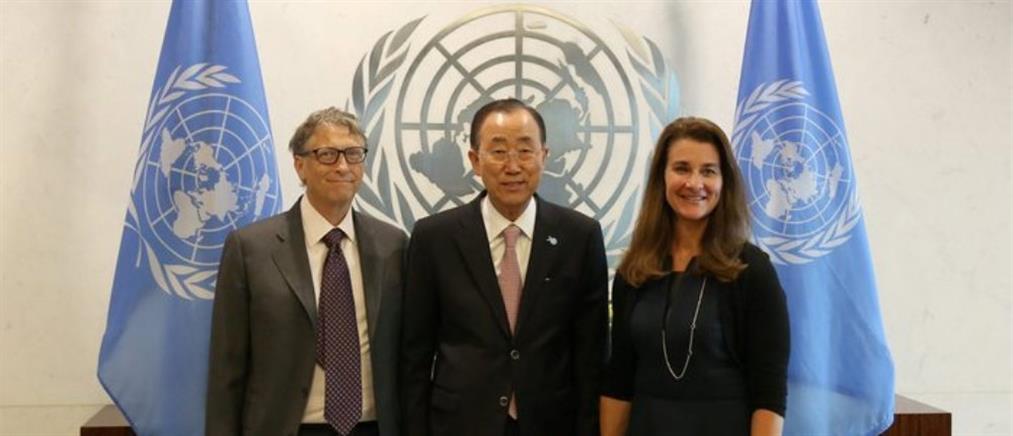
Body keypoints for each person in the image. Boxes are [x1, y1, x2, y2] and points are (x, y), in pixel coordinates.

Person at [400, 98, 608, 436]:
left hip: (551, 422)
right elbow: (415, 356)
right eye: (498, 151)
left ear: (544, 156)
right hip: (460, 424)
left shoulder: (579, 236)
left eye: (525, 151)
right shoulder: (434, 238)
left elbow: (591, 355)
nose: (513, 166)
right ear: (475, 160)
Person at [206, 108, 408, 436]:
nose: (342, 166)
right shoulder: (250, 248)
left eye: (353, 154)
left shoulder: (393, 245)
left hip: (373, 427)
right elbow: (227, 366)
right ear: (300, 165)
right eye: (327, 155)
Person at [599, 117, 790, 436]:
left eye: (708, 171)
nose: (694, 183)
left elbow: (769, 394)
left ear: (724, 182)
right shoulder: (634, 271)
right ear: (661, 177)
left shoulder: (753, 271)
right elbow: (619, 381)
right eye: (682, 168)